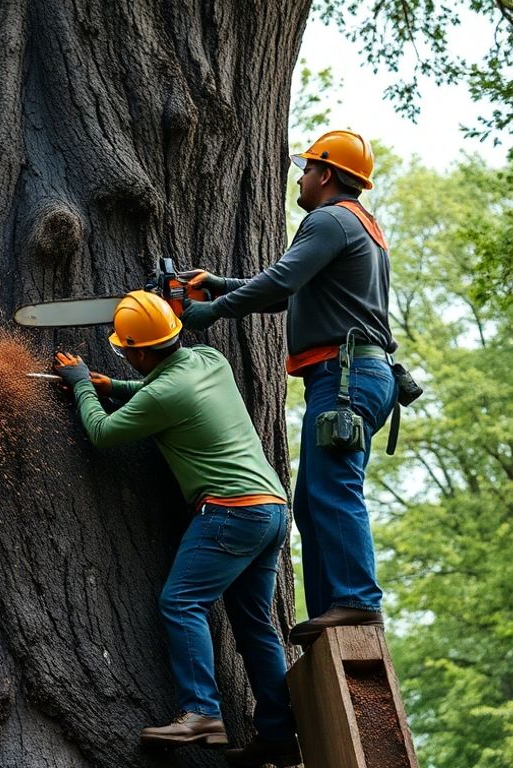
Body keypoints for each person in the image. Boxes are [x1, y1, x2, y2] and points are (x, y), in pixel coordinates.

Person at [52, 291, 298, 767]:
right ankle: (278, 733)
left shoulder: (164, 394)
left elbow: (102, 433)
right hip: (270, 510)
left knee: (182, 601)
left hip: (230, 512)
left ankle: (202, 713)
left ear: (140, 351)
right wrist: (114, 386)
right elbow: (158, 392)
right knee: (254, 625)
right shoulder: (209, 358)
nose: (126, 356)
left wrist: (83, 385)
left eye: (126, 352)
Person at [179, 129, 397, 645]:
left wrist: (212, 311)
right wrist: (222, 285)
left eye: (306, 168)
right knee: (313, 496)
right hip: (357, 376)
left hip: (345, 379)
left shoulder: (326, 219)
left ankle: (356, 603)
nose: (299, 177)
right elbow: (286, 292)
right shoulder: (358, 226)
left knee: (331, 488)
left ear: (325, 174)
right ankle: (332, 609)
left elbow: (280, 283)